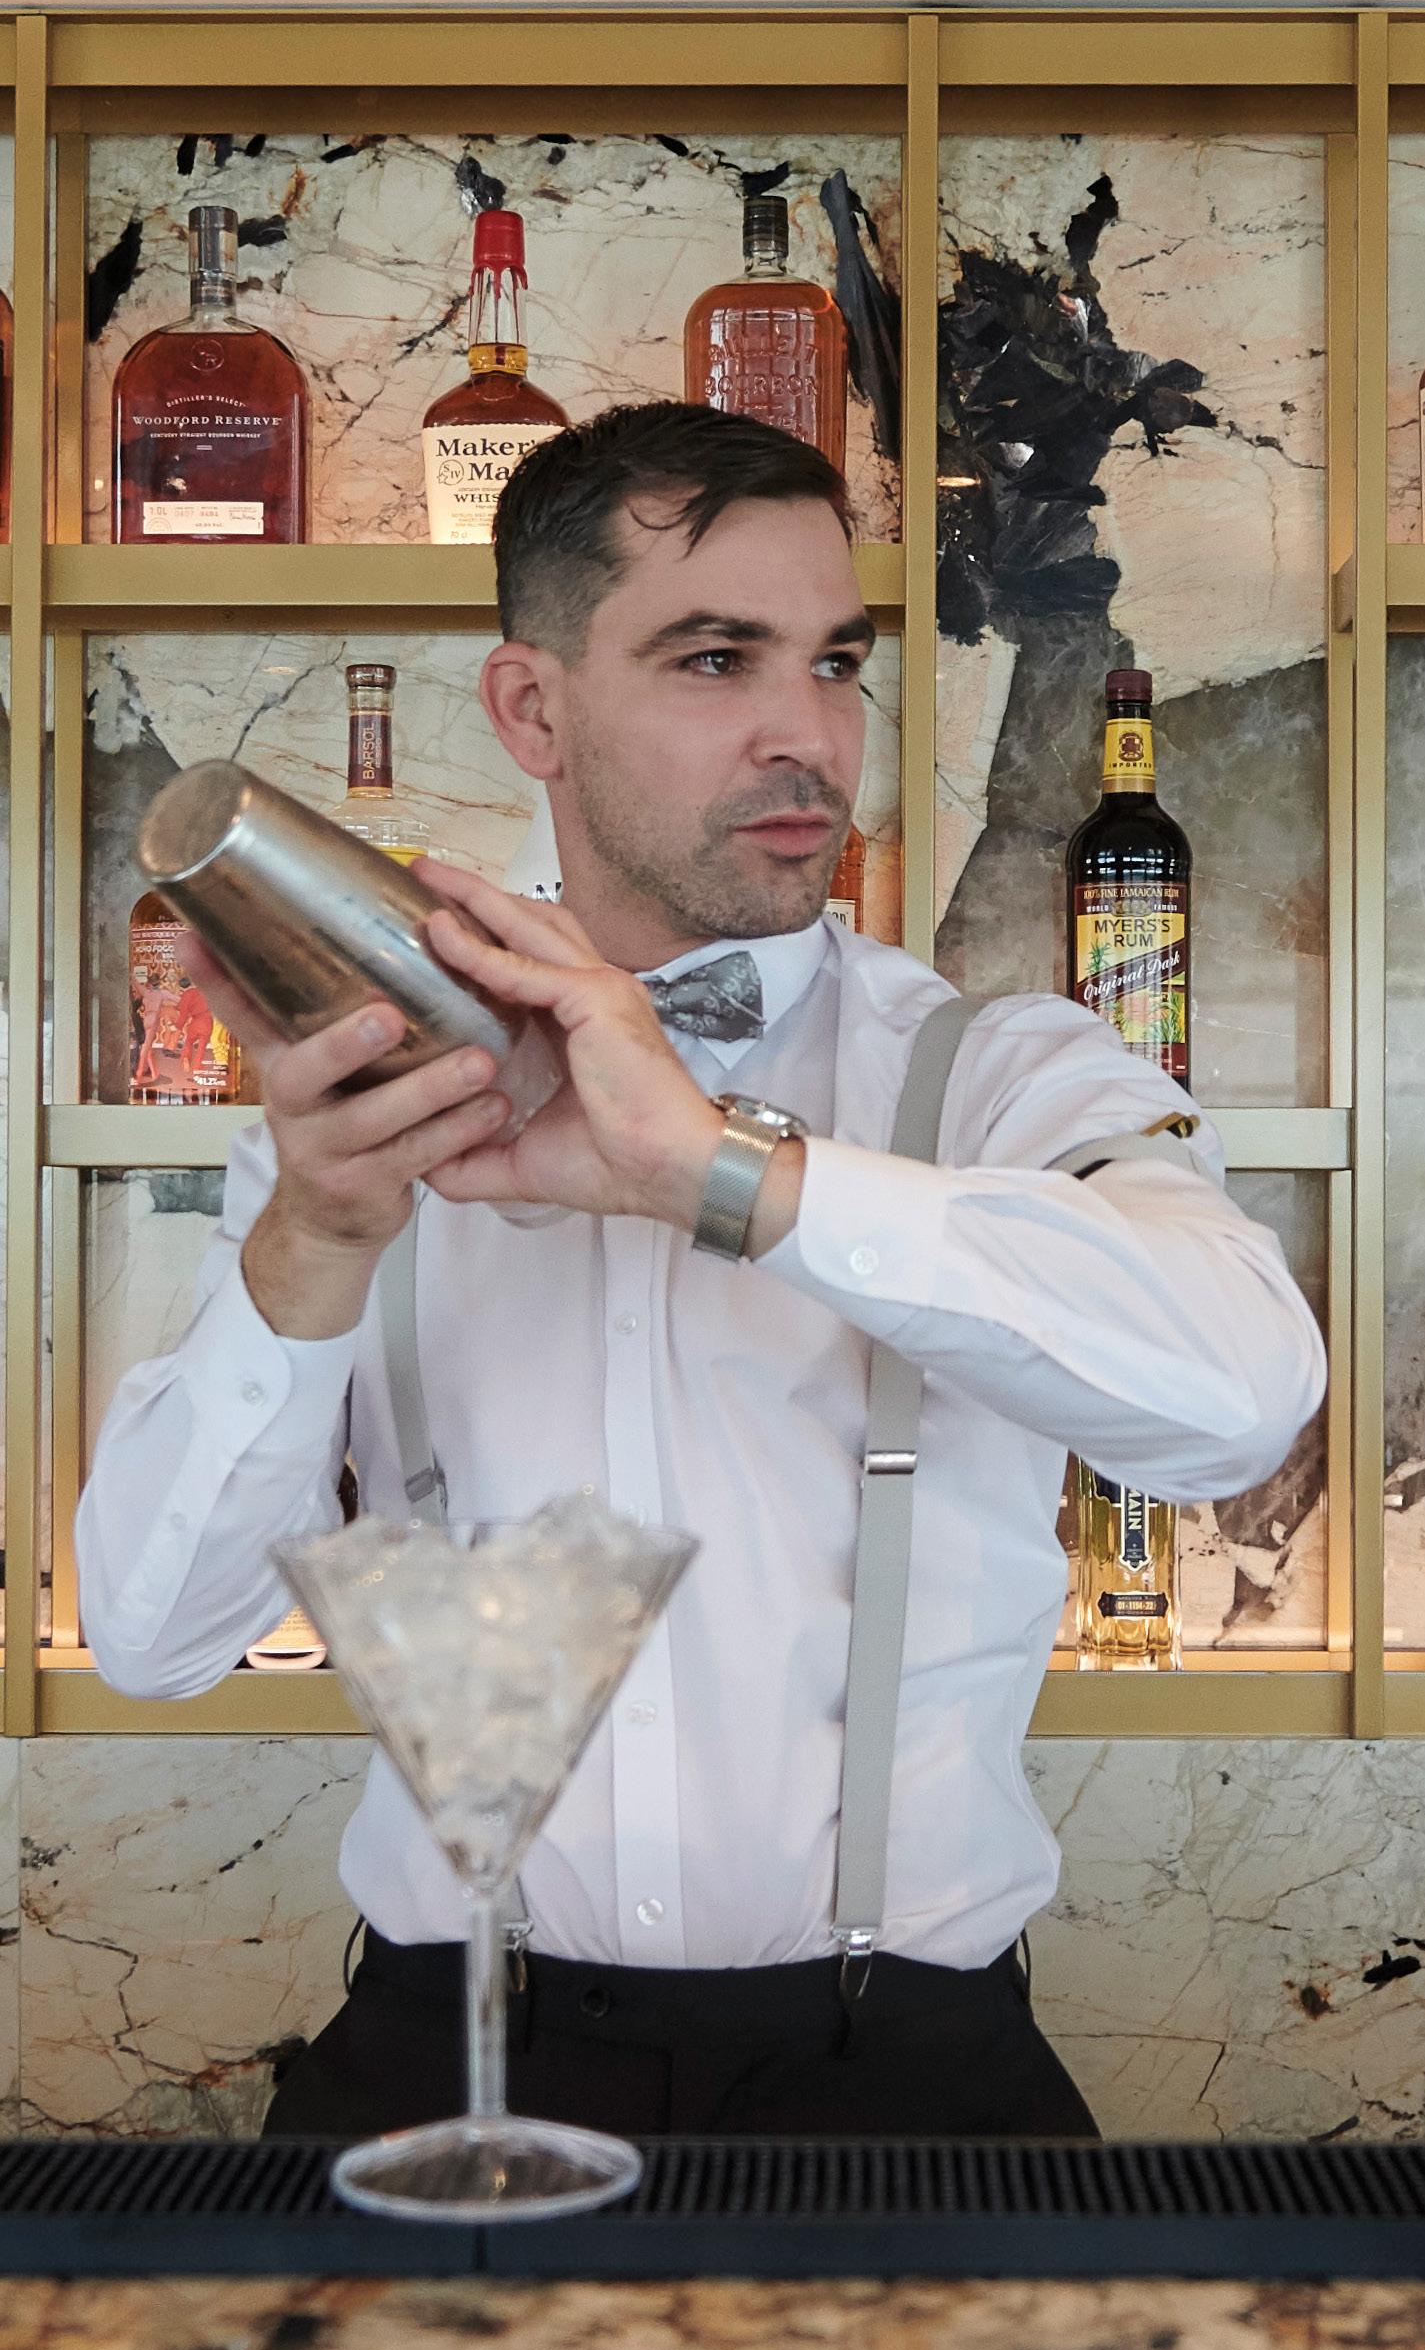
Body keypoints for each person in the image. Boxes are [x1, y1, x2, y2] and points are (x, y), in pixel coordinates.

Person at [78, 403, 1324, 2143]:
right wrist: (316, 1239)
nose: (806, 733)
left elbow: (1242, 1398)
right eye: (715, 658)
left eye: (835, 663)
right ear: (532, 708)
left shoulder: (997, 1073)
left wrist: (722, 1172)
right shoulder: (355, 1112)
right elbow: (150, 1636)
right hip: (453, 2052)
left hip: (903, 2074)